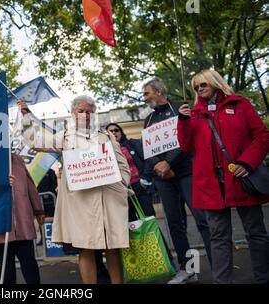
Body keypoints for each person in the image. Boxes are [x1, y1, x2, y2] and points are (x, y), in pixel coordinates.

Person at [18, 95, 131, 284]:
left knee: (113, 247)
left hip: (108, 200)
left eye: (89, 112)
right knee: (85, 248)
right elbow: (34, 141)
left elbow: (122, 165)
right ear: (73, 113)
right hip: (81, 203)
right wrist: (26, 117)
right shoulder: (64, 136)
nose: (85, 115)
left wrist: (121, 186)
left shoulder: (106, 136)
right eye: (81, 111)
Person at [177, 69, 269, 284]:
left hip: (241, 180)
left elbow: (262, 137)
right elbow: (185, 146)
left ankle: (263, 278)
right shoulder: (193, 114)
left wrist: (247, 162)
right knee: (218, 237)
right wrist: (182, 121)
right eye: (196, 87)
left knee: (255, 232)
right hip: (211, 184)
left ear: (215, 82)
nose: (200, 89)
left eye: (203, 84)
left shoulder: (240, 104)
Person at [142, 77, 212, 284]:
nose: (144, 98)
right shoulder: (148, 120)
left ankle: (219, 265)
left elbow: (187, 139)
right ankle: (189, 269)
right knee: (174, 223)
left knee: (202, 220)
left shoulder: (181, 107)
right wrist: (158, 165)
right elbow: (148, 149)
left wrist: (169, 164)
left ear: (159, 91)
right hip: (163, 178)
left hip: (186, 172)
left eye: (147, 93)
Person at [0, 153, 45, 284]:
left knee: (29, 262)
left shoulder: (17, 159)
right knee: (6, 264)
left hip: (22, 220)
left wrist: (38, 209)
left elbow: (30, 186)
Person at [105, 123, 156, 220]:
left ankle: (155, 236)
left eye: (116, 130)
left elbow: (147, 159)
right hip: (121, 191)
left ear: (121, 132)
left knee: (149, 220)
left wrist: (145, 179)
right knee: (132, 223)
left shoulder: (132, 143)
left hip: (139, 186)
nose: (114, 132)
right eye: (110, 131)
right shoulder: (104, 150)